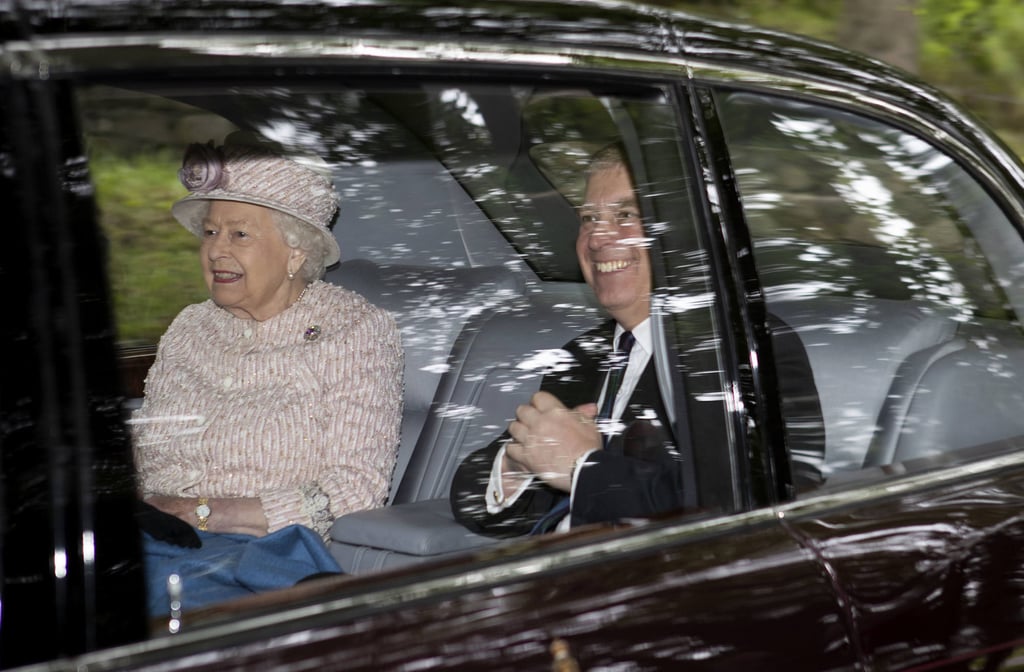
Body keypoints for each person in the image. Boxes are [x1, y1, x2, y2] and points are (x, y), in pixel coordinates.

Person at [130, 133, 403, 615]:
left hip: (257, 564)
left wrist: (207, 513)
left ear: (296, 252)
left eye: (240, 234)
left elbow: (357, 487)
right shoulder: (189, 327)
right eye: (210, 232)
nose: (216, 251)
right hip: (149, 540)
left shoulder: (355, 330)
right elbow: (147, 445)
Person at [449, 144, 689, 537]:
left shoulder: (731, 355)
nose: (597, 238)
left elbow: (722, 510)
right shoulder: (584, 354)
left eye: (625, 215)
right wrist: (517, 466)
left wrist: (585, 467)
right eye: (589, 218)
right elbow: (470, 492)